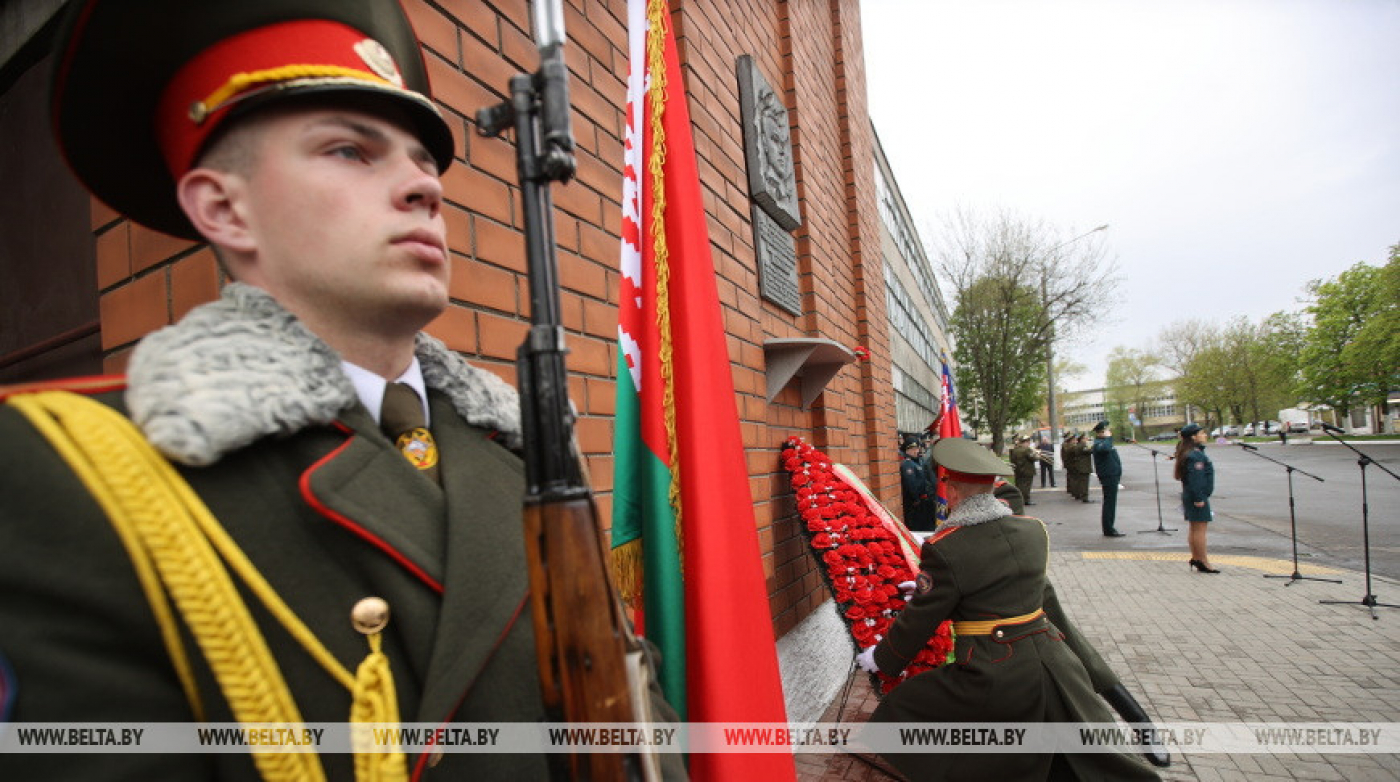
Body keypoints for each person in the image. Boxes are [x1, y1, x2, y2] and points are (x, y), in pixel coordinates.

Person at [0, 2, 681, 779]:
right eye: (351, 151)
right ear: (223, 208)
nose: (424, 189)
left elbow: (634, 713)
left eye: (425, 162)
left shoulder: (520, 450)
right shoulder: (68, 474)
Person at [855, 437, 1166, 780]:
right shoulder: (1033, 531)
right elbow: (1006, 582)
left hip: (993, 668)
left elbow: (921, 618)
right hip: (1054, 656)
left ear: (953, 492)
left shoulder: (947, 547)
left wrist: (883, 658)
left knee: (903, 708)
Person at [1174, 423, 1219, 573]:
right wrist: (1199, 498)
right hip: (1197, 496)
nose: (1205, 435)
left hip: (1193, 495)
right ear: (1194, 437)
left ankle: (1196, 557)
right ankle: (1203, 561)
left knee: (1194, 529)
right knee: (1199, 530)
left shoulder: (1190, 453)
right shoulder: (1195, 455)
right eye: (1202, 433)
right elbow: (1196, 479)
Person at [899, 433, 938, 531]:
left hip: (926, 502)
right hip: (917, 505)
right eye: (912, 449)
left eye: (916, 448)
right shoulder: (907, 464)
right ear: (907, 450)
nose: (915, 451)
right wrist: (917, 499)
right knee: (920, 530)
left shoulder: (919, 461)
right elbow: (912, 486)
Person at [1092, 421, 1124, 536]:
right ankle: (1108, 529)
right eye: (1105, 431)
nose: (1109, 433)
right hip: (1108, 476)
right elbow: (1105, 449)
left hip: (1112, 475)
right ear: (1100, 433)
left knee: (1111, 503)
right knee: (1109, 503)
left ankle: (1109, 527)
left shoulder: (1105, 443)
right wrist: (1108, 438)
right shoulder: (1099, 443)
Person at [1009, 434, 1038, 507]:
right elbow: (1034, 458)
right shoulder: (1027, 450)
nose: (1029, 444)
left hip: (1018, 470)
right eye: (1028, 442)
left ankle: (1019, 500)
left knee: (1019, 485)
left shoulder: (1015, 450)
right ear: (1025, 442)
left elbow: (1012, 460)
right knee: (1026, 487)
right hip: (1027, 471)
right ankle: (1026, 500)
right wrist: (1037, 454)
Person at [1066, 433, 1095, 503]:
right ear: (1082, 439)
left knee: (1079, 482)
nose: (1087, 439)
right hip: (1084, 467)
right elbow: (1089, 451)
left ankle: (1078, 495)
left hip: (1080, 466)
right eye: (1086, 438)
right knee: (1084, 483)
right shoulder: (1082, 446)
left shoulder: (1078, 445)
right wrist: (1094, 446)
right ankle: (1085, 497)